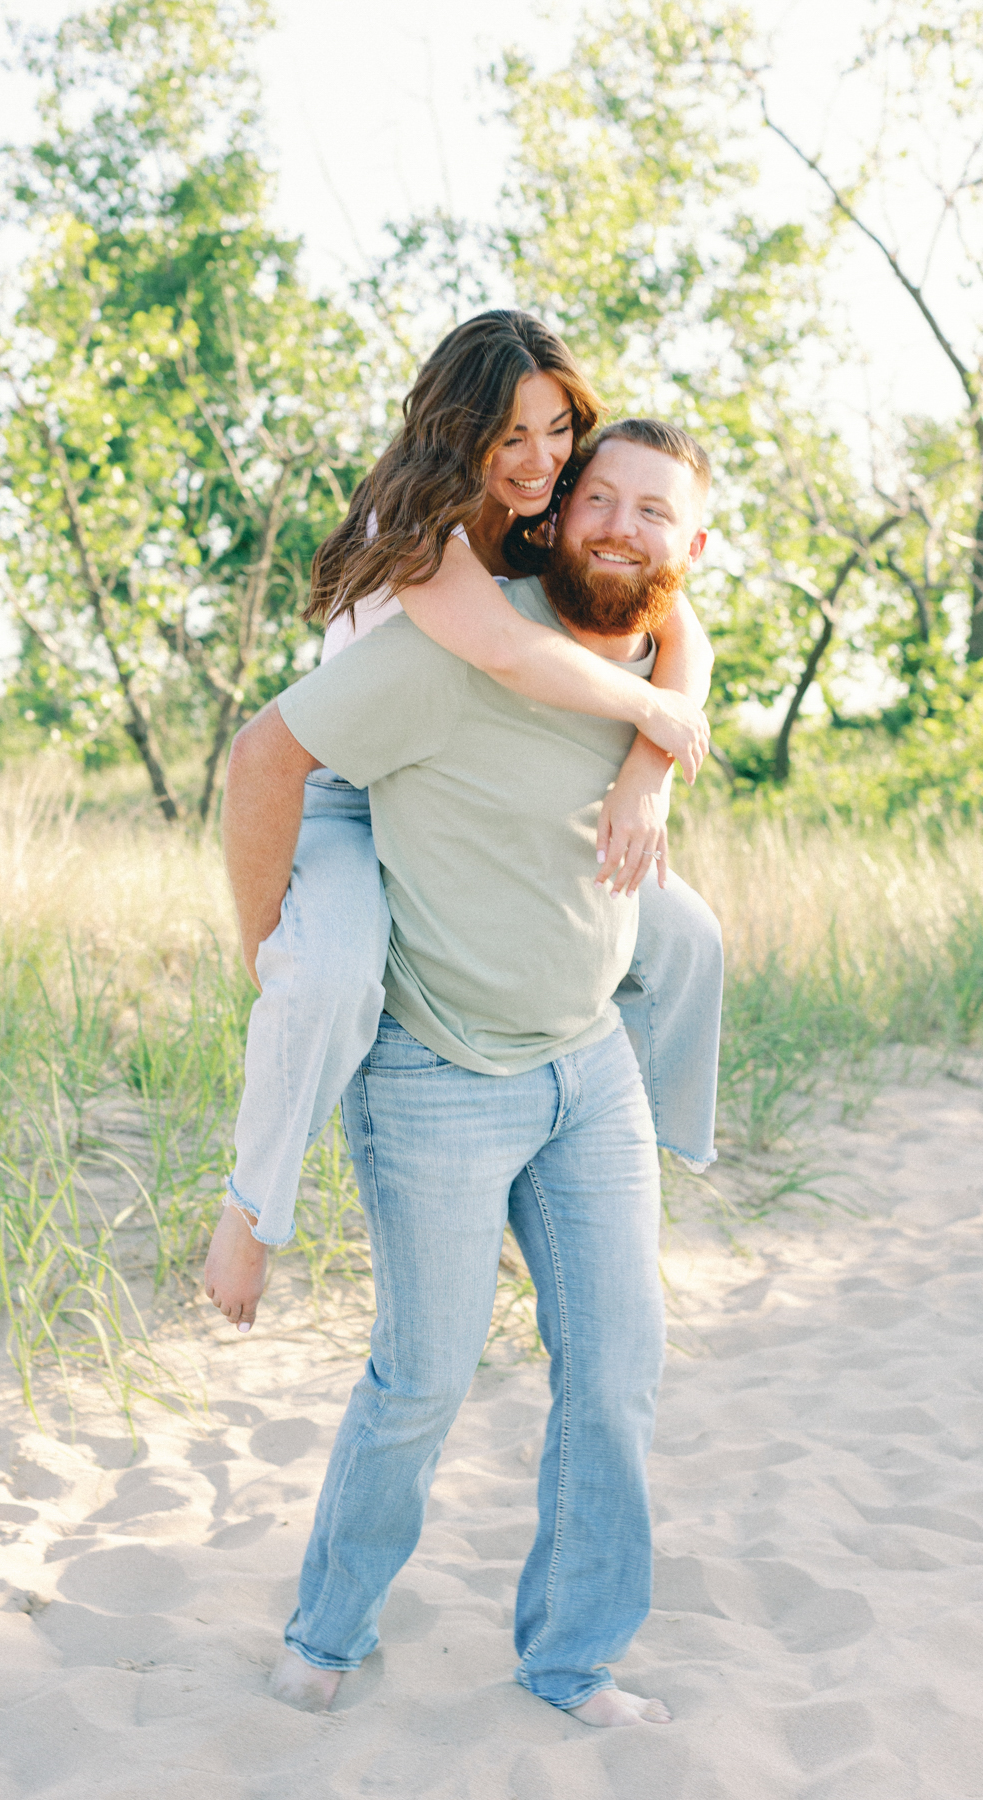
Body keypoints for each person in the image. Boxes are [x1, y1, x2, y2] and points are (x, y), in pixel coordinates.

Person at [220, 416, 714, 1725]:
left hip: (586, 1072)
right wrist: (268, 945)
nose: (619, 523)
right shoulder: (455, 646)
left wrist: (654, 766)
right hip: (435, 1072)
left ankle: (572, 1662)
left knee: (614, 1377)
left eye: (652, 510)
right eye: (596, 496)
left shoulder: (663, 665)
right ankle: (330, 1627)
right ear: (552, 516)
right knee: (424, 1379)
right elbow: (266, 756)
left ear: (693, 546)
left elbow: (678, 670)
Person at [206, 313, 722, 1328]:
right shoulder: (420, 535)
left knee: (687, 938)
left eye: (557, 430)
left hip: (458, 788)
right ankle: (252, 1211)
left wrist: (648, 774)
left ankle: (656, 1156)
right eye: (510, 436)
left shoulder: (555, 515)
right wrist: (648, 710)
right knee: (334, 975)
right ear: (460, 431)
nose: (539, 461)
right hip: (350, 793)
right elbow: (507, 653)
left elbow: (679, 626)